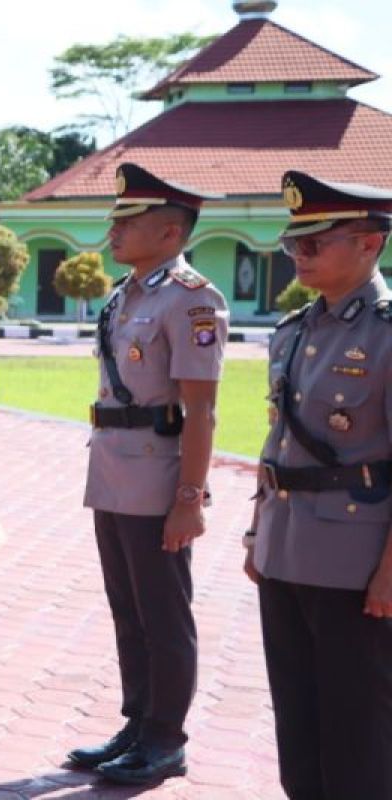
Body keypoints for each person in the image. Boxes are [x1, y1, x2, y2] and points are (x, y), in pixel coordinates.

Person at [66, 163, 228, 785]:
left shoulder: (192, 299)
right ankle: (137, 722)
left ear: (168, 232)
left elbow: (202, 409)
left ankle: (166, 738)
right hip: (112, 470)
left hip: (158, 477)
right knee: (127, 607)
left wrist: (190, 496)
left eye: (126, 221)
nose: (113, 229)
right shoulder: (126, 293)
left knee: (164, 612)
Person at [244, 171, 392, 799]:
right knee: (297, 724)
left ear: (369, 244)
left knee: (358, 733)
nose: (298, 255)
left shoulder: (386, 334)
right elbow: (277, 439)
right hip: (286, 551)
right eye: (293, 245)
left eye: (314, 243)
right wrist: (257, 533)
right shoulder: (295, 330)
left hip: (357, 566)